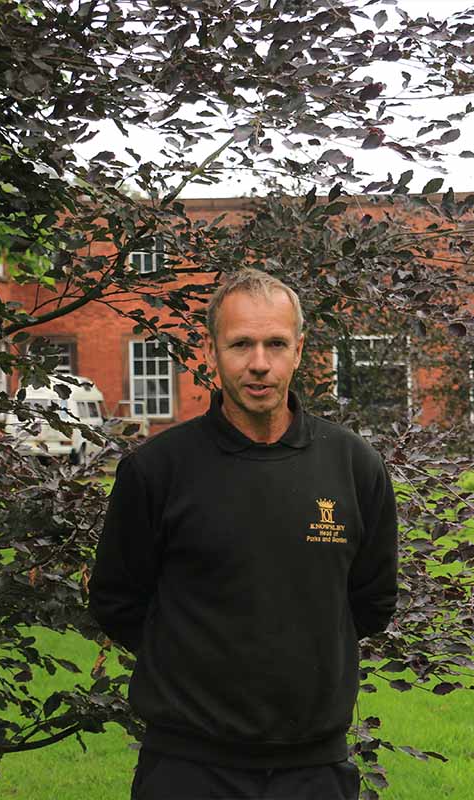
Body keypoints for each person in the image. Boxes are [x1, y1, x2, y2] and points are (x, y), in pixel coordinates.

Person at [89, 270, 398, 800]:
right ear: (212, 352)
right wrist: (194, 663)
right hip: (188, 768)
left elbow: (371, 603)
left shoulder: (353, 466)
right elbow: (118, 601)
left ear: (299, 351)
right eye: (241, 344)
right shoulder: (158, 471)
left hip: (315, 769)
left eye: (275, 344)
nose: (259, 363)